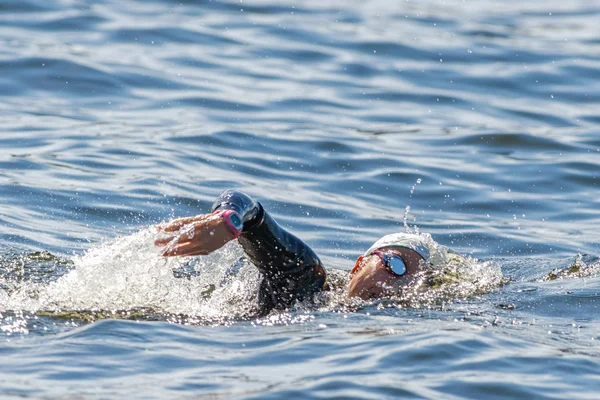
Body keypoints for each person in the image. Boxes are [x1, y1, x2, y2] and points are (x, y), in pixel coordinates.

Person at [155, 189, 434, 315]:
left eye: (411, 280)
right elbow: (248, 207)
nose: (395, 285)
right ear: (359, 264)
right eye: (395, 265)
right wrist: (229, 220)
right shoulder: (308, 279)